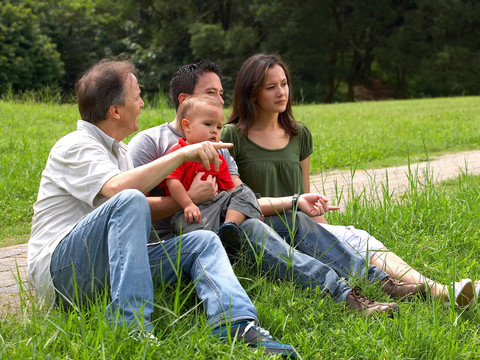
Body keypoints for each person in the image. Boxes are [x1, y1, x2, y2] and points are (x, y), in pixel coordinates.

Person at [27, 59, 298, 358]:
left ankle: (235, 324)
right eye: (136, 96)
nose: (142, 103)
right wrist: (182, 155)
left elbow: (137, 211)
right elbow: (121, 193)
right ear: (115, 110)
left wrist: (190, 199)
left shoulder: (121, 153)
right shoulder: (76, 145)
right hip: (63, 272)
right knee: (129, 197)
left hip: (109, 268)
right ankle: (134, 330)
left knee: (203, 242)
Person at [129, 60, 424, 318]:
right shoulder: (151, 143)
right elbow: (133, 210)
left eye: (221, 94)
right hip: (190, 239)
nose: (220, 101)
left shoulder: (219, 144)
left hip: (228, 224)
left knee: (291, 219)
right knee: (254, 231)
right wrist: (189, 200)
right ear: (185, 101)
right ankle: (344, 295)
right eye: (211, 94)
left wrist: (294, 202)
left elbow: (244, 198)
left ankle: (381, 280)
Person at [221, 53, 476, 306]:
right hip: (265, 229)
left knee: (356, 238)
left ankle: (440, 290)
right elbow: (239, 200)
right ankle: (438, 292)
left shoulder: (298, 134)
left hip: (301, 224)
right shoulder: (233, 135)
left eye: (284, 83)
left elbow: (306, 196)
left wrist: (327, 230)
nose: (281, 92)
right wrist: (297, 204)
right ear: (252, 93)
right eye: (271, 87)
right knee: (343, 238)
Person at [161, 94, 262, 245]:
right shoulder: (178, 154)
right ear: (187, 126)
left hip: (218, 206)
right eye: (208, 124)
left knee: (244, 192)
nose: (214, 131)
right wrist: (188, 204)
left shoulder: (218, 159)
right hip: (188, 212)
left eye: (219, 127)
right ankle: (220, 245)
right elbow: (172, 182)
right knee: (199, 233)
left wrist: (249, 206)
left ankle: (230, 227)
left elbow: (230, 191)